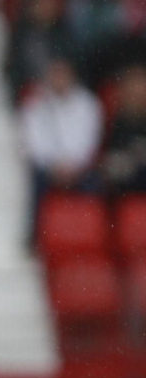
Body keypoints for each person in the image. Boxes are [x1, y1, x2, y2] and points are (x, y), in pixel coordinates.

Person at [19, 56, 102, 245]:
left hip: (78, 167)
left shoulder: (87, 104)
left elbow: (89, 140)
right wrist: (53, 165)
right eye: (55, 75)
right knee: (36, 181)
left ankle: (89, 237)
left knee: (95, 185)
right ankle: (35, 236)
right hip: (49, 167)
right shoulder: (35, 103)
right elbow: (33, 142)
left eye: (63, 75)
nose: (59, 79)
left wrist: (73, 165)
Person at [100, 64, 146, 192]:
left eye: (141, 86)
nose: (138, 90)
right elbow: (112, 150)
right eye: (133, 86)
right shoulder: (119, 118)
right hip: (127, 171)